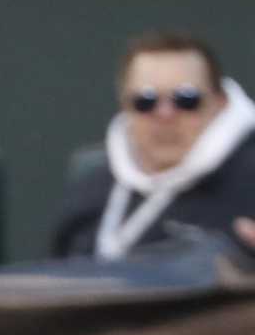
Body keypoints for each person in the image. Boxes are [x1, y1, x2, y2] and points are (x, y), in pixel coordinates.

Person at [50, 31, 255, 261]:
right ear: (124, 106)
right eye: (145, 101)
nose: (165, 114)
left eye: (186, 99)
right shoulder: (92, 189)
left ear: (220, 103)